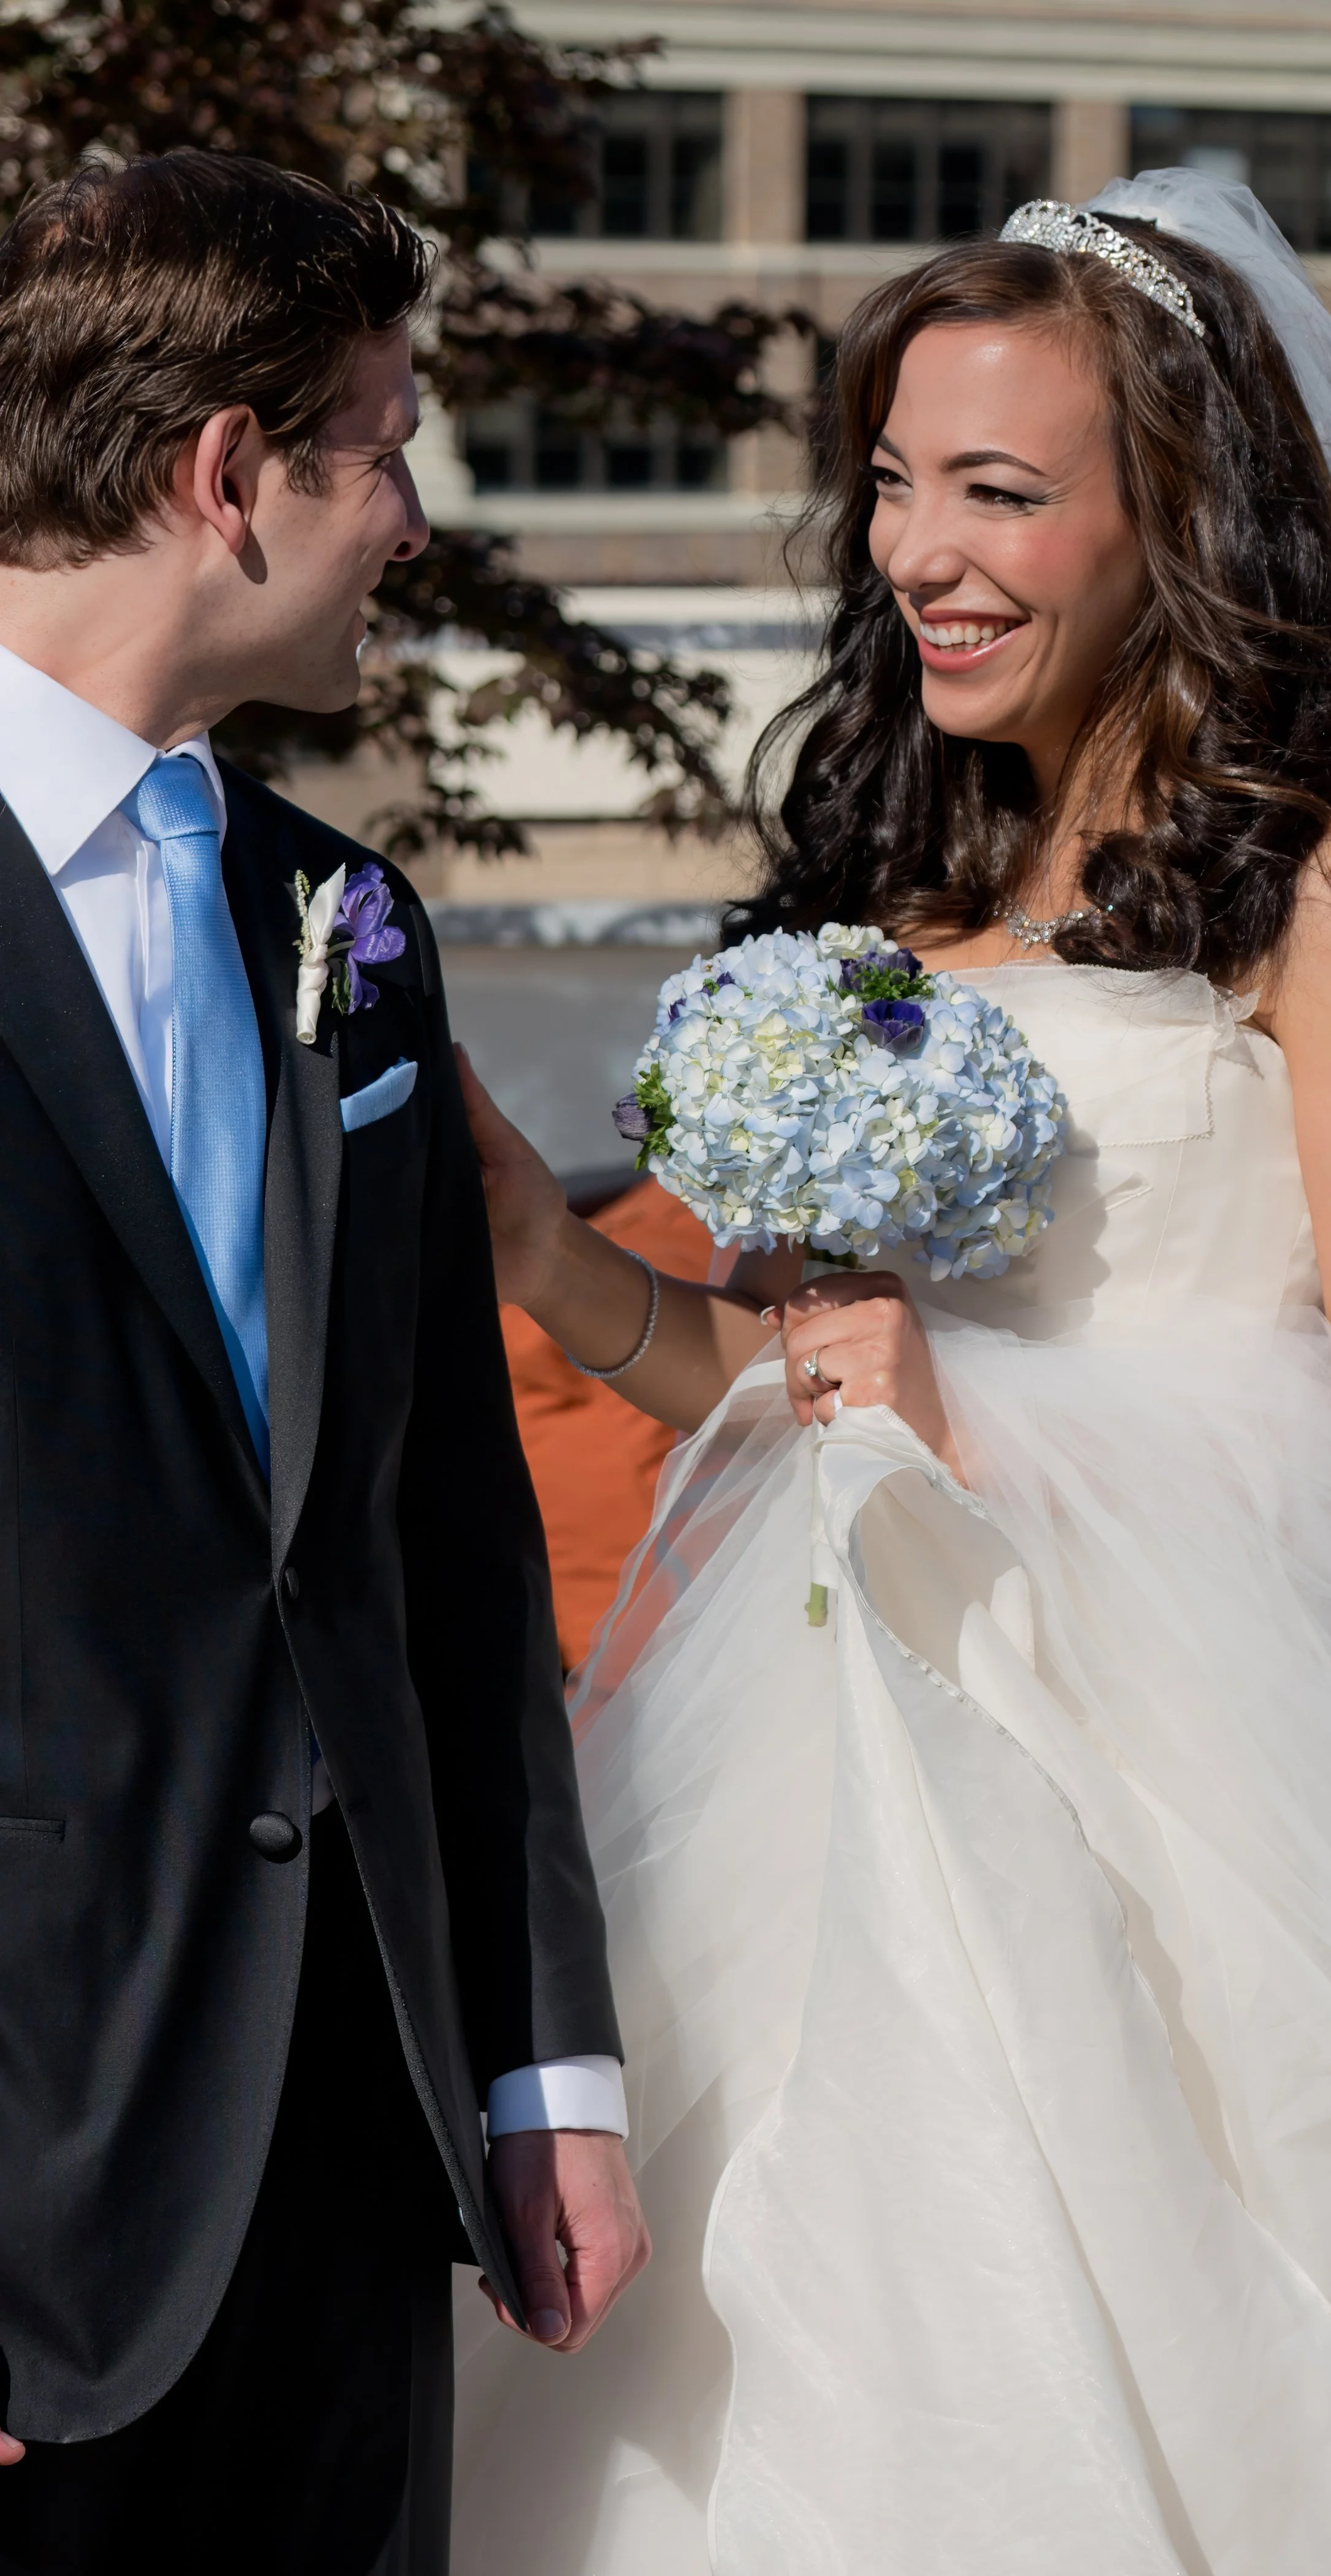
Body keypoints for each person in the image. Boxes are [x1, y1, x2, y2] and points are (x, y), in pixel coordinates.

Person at [454, 174, 1331, 2574]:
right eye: (895, 481)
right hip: (809, 1735)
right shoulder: (901, 900)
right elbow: (783, 1384)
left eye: (996, 491)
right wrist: (526, 1245)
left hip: (1171, 1783)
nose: (918, 550)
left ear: (1172, 519)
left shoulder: (1327, 884)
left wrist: (975, 1425)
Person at [0, 150, 647, 2576]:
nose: (408, 514)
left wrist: (538, 2063)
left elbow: (439, 1532)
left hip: (356, 2168)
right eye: (379, 443)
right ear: (223, 475)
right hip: (36, 2194)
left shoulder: (344, 925)